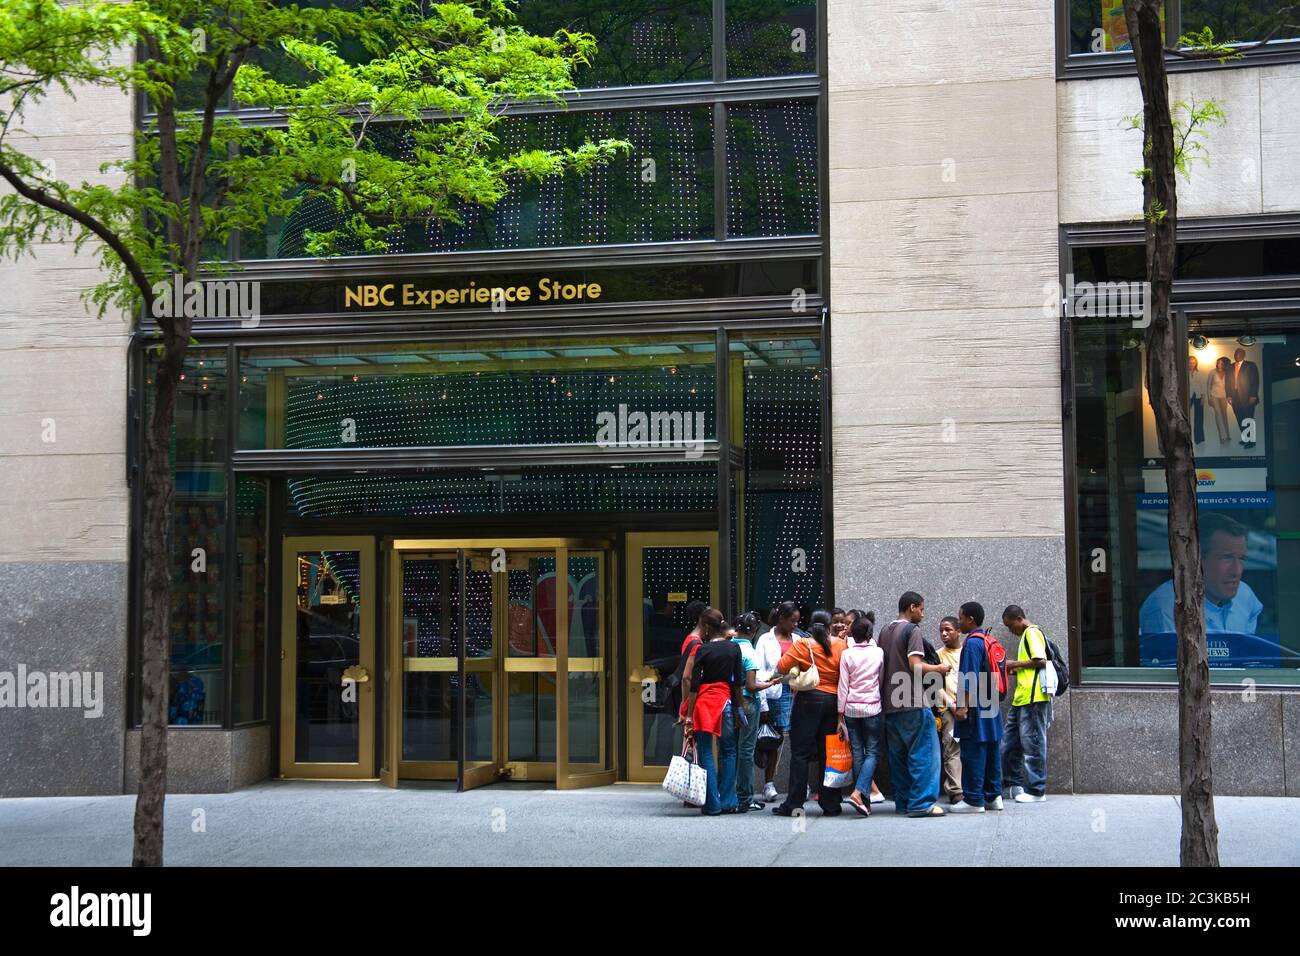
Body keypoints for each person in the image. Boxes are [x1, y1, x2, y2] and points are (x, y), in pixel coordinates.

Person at [877, 592, 950, 818]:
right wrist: (940, 668)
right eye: (921, 609)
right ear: (912, 607)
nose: (922, 614)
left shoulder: (884, 632)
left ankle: (904, 802)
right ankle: (921, 804)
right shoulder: (912, 631)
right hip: (913, 700)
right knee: (924, 754)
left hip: (889, 703)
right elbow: (916, 666)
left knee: (898, 757)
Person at [1138, 512, 1264, 635]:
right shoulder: (1165, 608)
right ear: (1196, 560)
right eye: (1227, 558)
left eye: (1242, 559)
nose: (1237, 571)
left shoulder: (1246, 596)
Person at [772, 609, 846, 817]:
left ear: (812, 626)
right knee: (828, 752)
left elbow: (781, 666)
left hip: (809, 700)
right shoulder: (840, 645)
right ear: (830, 625)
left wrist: (800, 666)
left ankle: (794, 803)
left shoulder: (803, 645)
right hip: (833, 701)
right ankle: (831, 803)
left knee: (800, 753)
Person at [683, 607, 746, 815]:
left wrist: (690, 714)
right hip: (726, 703)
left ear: (708, 627)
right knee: (729, 751)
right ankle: (728, 801)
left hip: (704, 706)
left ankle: (712, 804)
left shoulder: (703, 649)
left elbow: (694, 685)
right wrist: (739, 708)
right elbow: (738, 683)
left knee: (706, 752)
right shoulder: (734, 649)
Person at [949, 603, 1002, 813]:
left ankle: (973, 799)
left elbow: (968, 678)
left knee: (973, 751)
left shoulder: (972, 643)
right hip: (991, 702)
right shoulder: (987, 640)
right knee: (991, 750)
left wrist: (963, 706)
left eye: (960, 617)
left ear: (970, 619)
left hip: (976, 705)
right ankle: (993, 796)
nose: (958, 621)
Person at [1001, 605, 1051, 804]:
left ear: (1019, 618)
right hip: (1022, 698)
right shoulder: (1026, 637)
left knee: (1033, 744)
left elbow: (1041, 661)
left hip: (1034, 699)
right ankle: (1014, 785)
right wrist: (1015, 669)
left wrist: (1014, 664)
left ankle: (1037, 790)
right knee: (1009, 744)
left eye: (1010, 625)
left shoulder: (1032, 633)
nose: (1009, 630)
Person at [731, 612, 779, 812]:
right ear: (753, 631)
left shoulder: (729, 646)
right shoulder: (750, 654)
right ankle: (745, 797)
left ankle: (729, 793)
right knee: (745, 750)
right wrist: (769, 683)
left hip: (730, 702)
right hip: (748, 704)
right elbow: (751, 686)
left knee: (730, 749)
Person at [836, 614, 883, 816]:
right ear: (870, 634)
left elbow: (843, 686)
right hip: (872, 707)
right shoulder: (879, 652)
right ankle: (859, 794)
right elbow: (880, 680)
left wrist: (840, 714)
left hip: (851, 709)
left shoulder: (846, 654)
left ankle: (862, 798)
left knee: (857, 752)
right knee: (872, 752)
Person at [755, 600, 800, 802]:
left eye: (797, 621)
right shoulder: (765, 639)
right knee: (775, 738)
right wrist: (763, 704)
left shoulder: (799, 639)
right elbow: (758, 672)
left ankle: (799, 783)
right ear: (781, 619)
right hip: (772, 692)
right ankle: (768, 783)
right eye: (792, 621)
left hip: (795, 691)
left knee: (798, 738)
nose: (795, 625)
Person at [935, 616, 964, 806]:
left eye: (948, 630)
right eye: (941, 631)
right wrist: (952, 705)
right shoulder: (938, 656)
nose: (944, 634)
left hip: (968, 707)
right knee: (951, 749)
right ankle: (955, 791)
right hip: (948, 709)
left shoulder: (967, 652)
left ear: (958, 631)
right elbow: (935, 686)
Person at [1229, 346, 1260, 447]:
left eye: (1239, 353)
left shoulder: (1250, 365)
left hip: (1248, 397)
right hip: (1235, 397)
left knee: (1249, 419)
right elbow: (1227, 382)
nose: (1237, 355)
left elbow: (1255, 381)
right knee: (1240, 418)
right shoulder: (1230, 366)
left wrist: (1253, 395)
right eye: (1236, 354)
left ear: (1243, 355)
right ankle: (1246, 438)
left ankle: (1252, 442)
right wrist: (1228, 396)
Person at [1207, 356, 1233, 445]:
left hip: (1224, 396)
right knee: (1218, 415)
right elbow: (1208, 385)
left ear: (1225, 364)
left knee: (1224, 415)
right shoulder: (1212, 372)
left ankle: (1228, 434)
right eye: (1218, 363)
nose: (1219, 365)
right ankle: (1222, 437)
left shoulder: (1227, 373)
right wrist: (1209, 398)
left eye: (1221, 363)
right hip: (1214, 396)